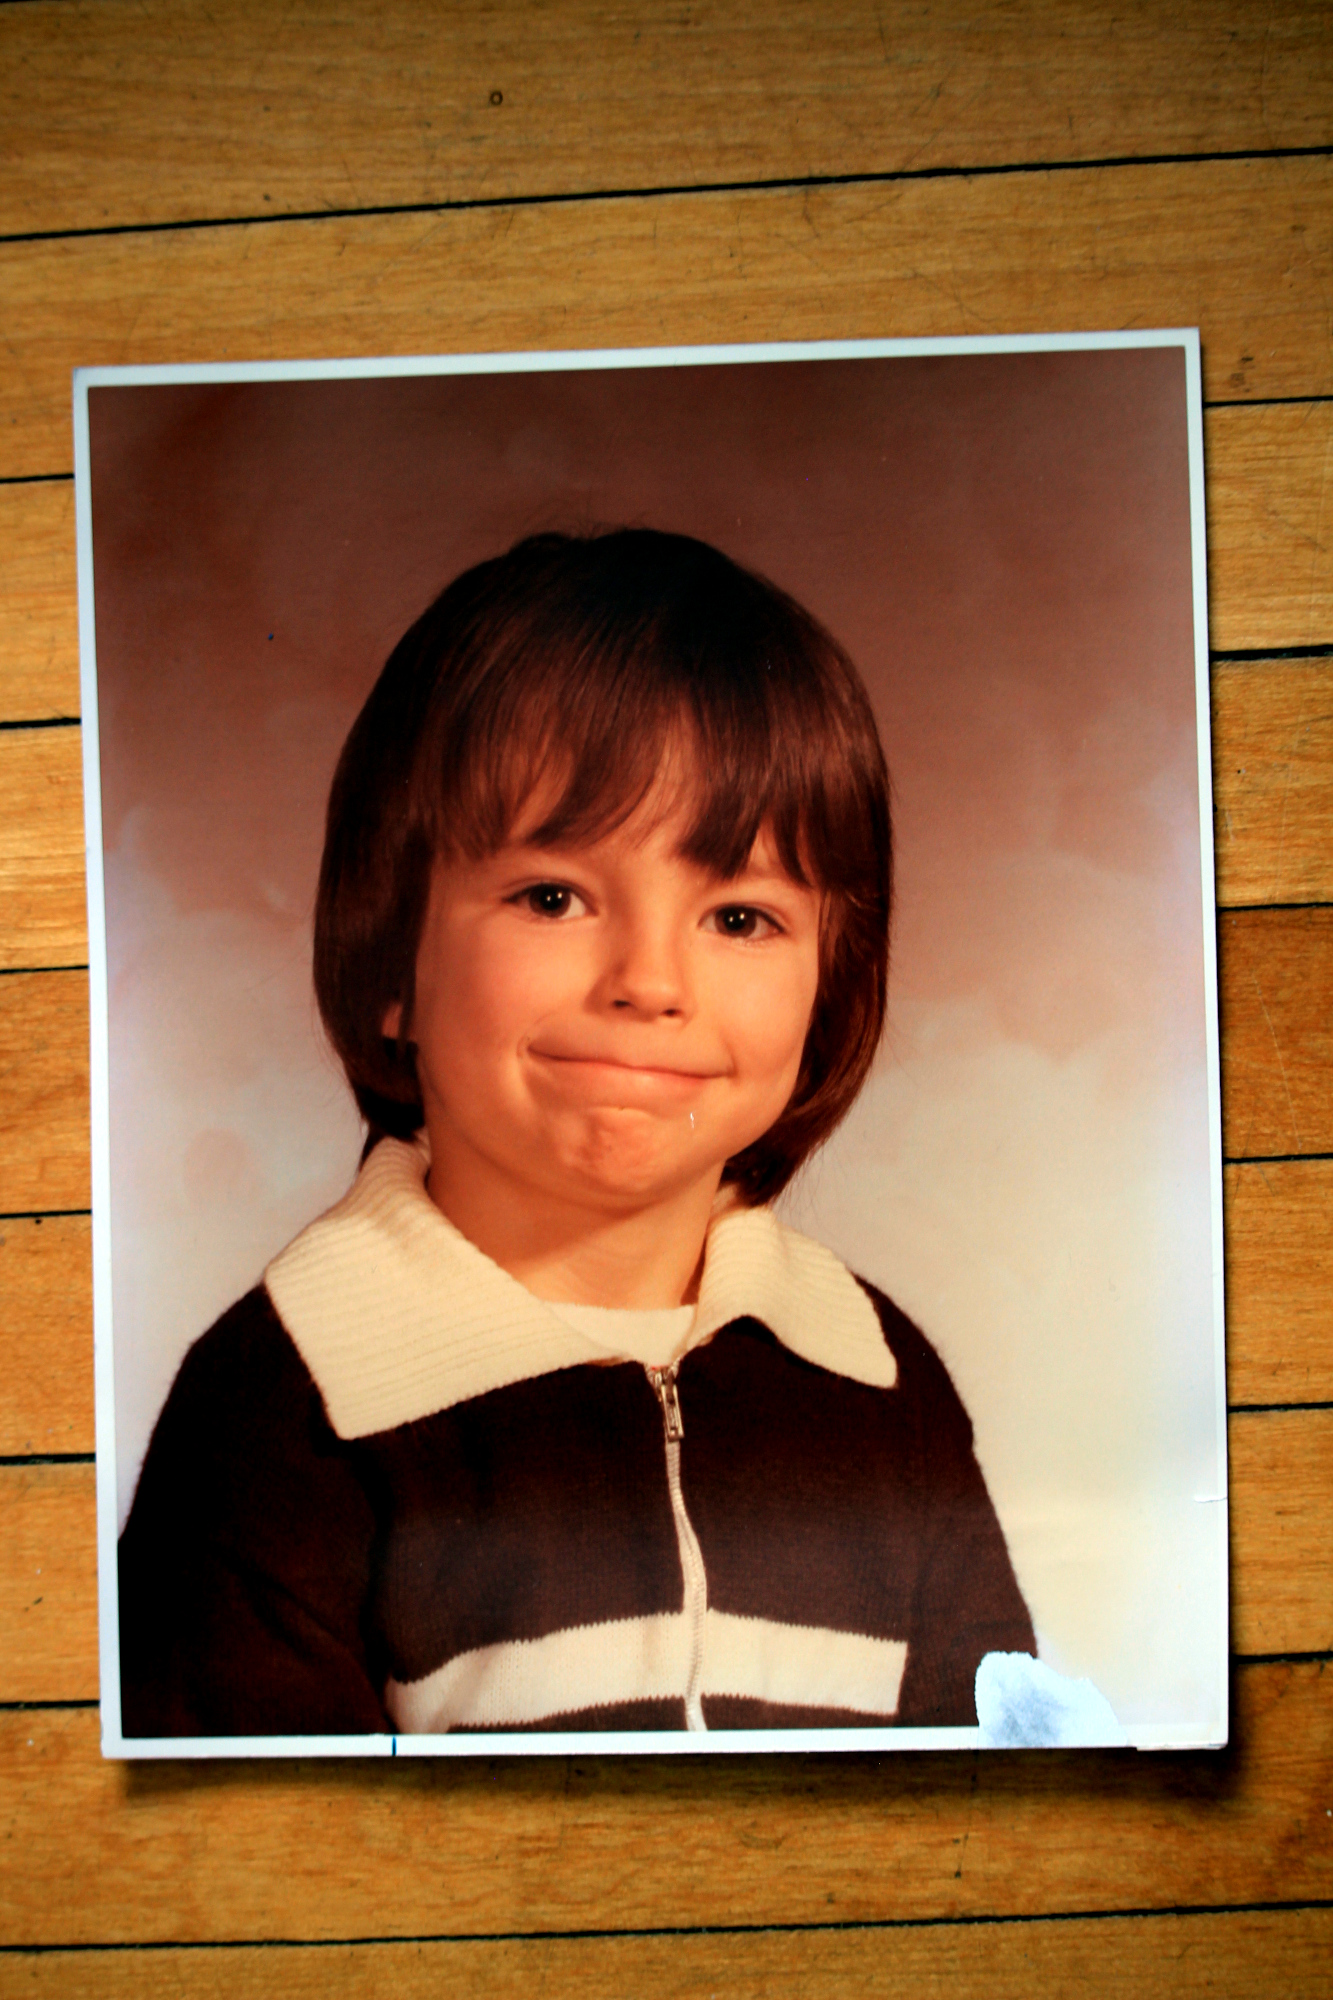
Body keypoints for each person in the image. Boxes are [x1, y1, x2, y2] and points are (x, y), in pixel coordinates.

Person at [118, 528, 1035, 1739]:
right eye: (553, 896)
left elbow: (992, 1823)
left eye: (742, 915)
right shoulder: (283, 1415)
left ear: (834, 985)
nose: (650, 981)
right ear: (392, 956)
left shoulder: (879, 1384)